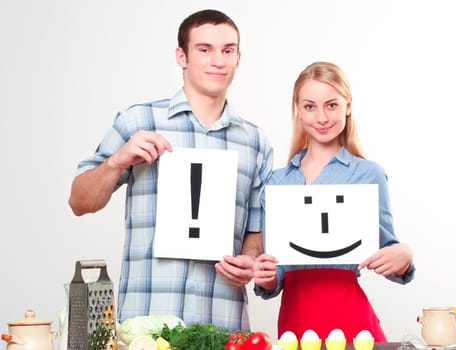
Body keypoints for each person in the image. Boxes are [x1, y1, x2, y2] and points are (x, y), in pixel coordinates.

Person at [68, 9, 273, 332]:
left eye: (227, 50)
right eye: (204, 49)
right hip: (147, 323)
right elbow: (80, 202)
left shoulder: (256, 142)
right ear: (182, 56)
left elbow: (255, 231)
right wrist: (116, 160)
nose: (218, 60)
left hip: (223, 323)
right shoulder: (139, 121)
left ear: (238, 58)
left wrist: (248, 259)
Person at [253, 61, 414, 342]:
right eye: (310, 106)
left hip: (350, 315)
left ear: (347, 106)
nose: (322, 117)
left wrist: (405, 257)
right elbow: (275, 269)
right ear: (298, 111)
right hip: (295, 318)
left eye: (331, 105)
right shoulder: (277, 182)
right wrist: (267, 278)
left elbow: (388, 250)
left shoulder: (367, 173)